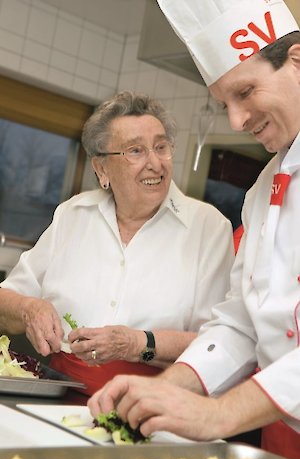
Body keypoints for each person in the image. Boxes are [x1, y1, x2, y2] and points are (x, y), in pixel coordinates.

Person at [88, 1, 300, 459]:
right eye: (224, 103)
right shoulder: (263, 191)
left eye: (245, 92)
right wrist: (164, 390)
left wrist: (219, 414)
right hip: (284, 437)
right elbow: (242, 323)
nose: (236, 121)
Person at [0, 91, 234, 395]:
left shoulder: (209, 227)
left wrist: (137, 344)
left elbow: (219, 343)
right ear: (101, 169)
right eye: (135, 151)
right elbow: (7, 299)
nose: (155, 163)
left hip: (149, 401)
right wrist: (29, 308)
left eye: (161, 147)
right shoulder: (74, 213)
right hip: (56, 390)